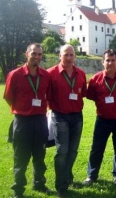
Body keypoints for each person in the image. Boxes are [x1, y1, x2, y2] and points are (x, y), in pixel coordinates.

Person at [4, 43, 51, 198]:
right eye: (33, 53)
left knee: (40, 156)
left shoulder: (45, 75)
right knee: (21, 158)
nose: (36, 56)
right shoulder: (15, 74)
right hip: (22, 122)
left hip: (40, 121)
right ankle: (18, 189)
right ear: (26, 54)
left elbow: (48, 96)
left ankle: (39, 184)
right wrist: (22, 109)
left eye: (39, 54)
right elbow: (8, 97)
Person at [82, 49, 116, 187]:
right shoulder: (95, 79)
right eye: (107, 60)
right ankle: (91, 175)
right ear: (103, 62)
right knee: (97, 148)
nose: (110, 63)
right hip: (102, 119)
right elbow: (91, 96)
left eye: (113, 60)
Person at [47, 44, 87, 198]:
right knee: (62, 151)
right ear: (60, 55)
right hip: (60, 116)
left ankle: (67, 175)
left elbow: (82, 93)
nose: (69, 58)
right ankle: (61, 186)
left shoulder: (81, 74)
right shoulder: (51, 74)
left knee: (73, 150)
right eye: (66, 55)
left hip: (77, 116)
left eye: (71, 55)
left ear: (75, 56)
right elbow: (47, 95)